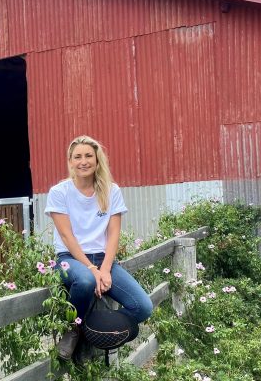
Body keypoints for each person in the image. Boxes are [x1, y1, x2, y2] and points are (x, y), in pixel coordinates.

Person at [44, 135, 152, 361]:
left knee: (143, 307)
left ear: (97, 159)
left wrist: (104, 268)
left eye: (88, 156)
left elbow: (113, 234)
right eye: (78, 157)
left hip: (104, 259)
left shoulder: (111, 190)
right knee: (85, 280)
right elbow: (67, 235)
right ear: (70, 161)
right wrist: (92, 270)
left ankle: (94, 328)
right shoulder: (59, 192)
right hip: (70, 258)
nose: (83, 161)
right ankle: (73, 329)